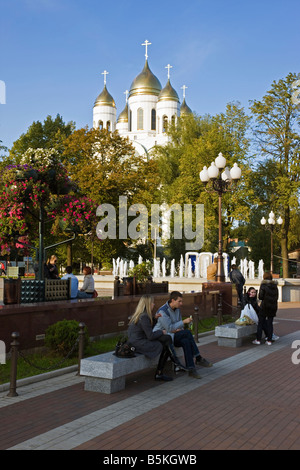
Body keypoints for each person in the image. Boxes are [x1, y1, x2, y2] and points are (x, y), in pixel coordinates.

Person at [154, 291, 213, 379]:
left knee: (186, 341)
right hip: (164, 338)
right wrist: (183, 322)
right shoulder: (163, 311)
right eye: (179, 301)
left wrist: (179, 328)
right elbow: (170, 328)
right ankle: (198, 357)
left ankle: (191, 369)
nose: (181, 303)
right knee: (187, 333)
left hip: (174, 335)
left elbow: (177, 326)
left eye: (182, 301)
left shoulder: (177, 310)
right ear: (173, 300)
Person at [128, 295, 186, 382]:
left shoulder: (142, 315)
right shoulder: (144, 317)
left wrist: (154, 319)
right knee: (163, 344)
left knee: (167, 339)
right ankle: (162, 370)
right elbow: (150, 336)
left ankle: (171, 364)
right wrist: (161, 332)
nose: (154, 304)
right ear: (148, 304)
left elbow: (146, 328)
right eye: (152, 303)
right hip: (139, 344)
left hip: (137, 341)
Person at [253, 272, 279, 346]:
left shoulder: (263, 285)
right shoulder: (275, 285)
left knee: (260, 323)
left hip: (264, 306)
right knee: (270, 323)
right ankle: (269, 340)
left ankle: (258, 339)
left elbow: (260, 297)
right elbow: (277, 297)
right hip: (273, 306)